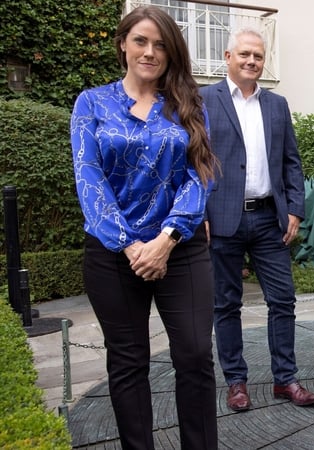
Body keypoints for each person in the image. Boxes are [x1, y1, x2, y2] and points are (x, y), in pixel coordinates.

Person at [70, 6, 218, 449]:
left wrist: (165, 240)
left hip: (181, 247)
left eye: (160, 45)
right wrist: (132, 246)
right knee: (128, 361)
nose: (150, 52)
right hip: (113, 254)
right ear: (123, 44)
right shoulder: (91, 103)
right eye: (141, 41)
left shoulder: (189, 104)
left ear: (171, 53)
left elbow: (199, 176)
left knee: (194, 355)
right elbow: (88, 176)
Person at [201, 28, 314, 410]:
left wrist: (296, 209)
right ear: (228, 56)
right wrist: (198, 211)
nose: (252, 61)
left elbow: (291, 161)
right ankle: (236, 381)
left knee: (283, 300)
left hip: (270, 218)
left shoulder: (277, 104)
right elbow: (195, 161)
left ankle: (285, 379)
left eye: (258, 56)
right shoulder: (204, 99)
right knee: (226, 304)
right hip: (221, 218)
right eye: (245, 54)